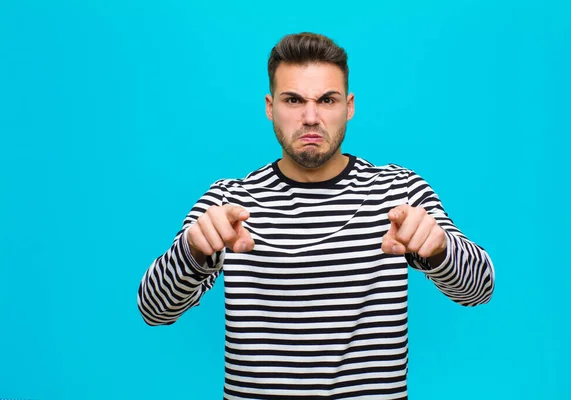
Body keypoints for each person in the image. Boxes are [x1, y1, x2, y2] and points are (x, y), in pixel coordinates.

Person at [137, 32, 495, 399]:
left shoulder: (397, 192)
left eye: (327, 100)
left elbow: (479, 288)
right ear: (269, 106)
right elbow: (153, 309)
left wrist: (439, 250)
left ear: (349, 106)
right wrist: (192, 254)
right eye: (293, 100)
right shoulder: (229, 201)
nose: (311, 118)